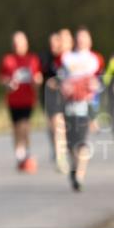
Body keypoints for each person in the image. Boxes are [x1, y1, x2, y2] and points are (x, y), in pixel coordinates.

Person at [58, 27, 105, 191]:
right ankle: (74, 167)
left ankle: (79, 175)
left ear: (90, 40)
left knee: (83, 142)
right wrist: (65, 87)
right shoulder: (67, 58)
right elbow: (61, 80)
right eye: (79, 38)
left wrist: (95, 85)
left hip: (88, 104)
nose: (82, 41)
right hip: (70, 104)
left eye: (85, 38)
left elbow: (101, 82)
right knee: (71, 143)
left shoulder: (96, 59)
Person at [0, 31, 43, 172]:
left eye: (21, 43)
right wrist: (8, 84)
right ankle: (19, 153)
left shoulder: (33, 59)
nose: (18, 46)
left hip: (28, 98)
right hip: (13, 99)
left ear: (26, 44)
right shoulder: (8, 60)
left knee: (25, 124)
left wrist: (37, 82)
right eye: (16, 43)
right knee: (16, 126)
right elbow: (1, 78)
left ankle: (25, 152)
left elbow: (38, 77)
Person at [42, 31, 71, 173]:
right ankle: (59, 154)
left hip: (68, 98)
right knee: (54, 126)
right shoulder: (49, 59)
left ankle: (62, 153)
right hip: (52, 98)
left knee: (62, 126)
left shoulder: (69, 58)